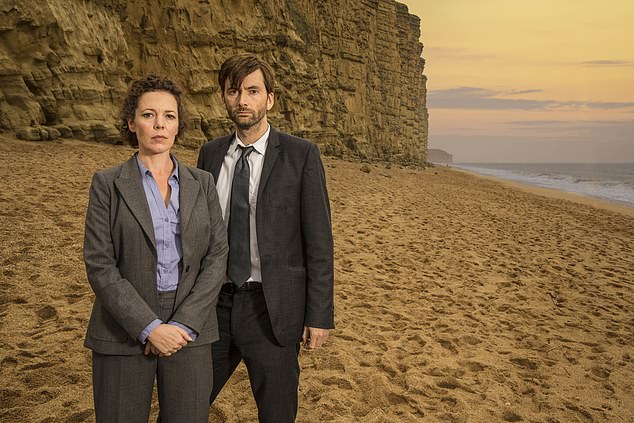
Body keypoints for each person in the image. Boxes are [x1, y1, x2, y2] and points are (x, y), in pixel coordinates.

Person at [197, 53, 335, 422]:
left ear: (269, 99)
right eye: (234, 91)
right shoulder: (210, 154)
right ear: (224, 97)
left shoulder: (300, 154)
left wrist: (319, 315)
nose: (243, 100)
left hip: (273, 309)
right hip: (215, 306)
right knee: (185, 407)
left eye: (253, 91)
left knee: (277, 414)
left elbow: (319, 241)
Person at [83, 75, 228, 423]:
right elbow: (100, 265)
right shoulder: (107, 184)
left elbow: (217, 255)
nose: (159, 124)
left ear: (179, 125)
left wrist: (183, 325)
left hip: (190, 328)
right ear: (132, 123)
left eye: (169, 116)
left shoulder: (203, 183)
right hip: (122, 325)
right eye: (149, 115)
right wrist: (149, 327)